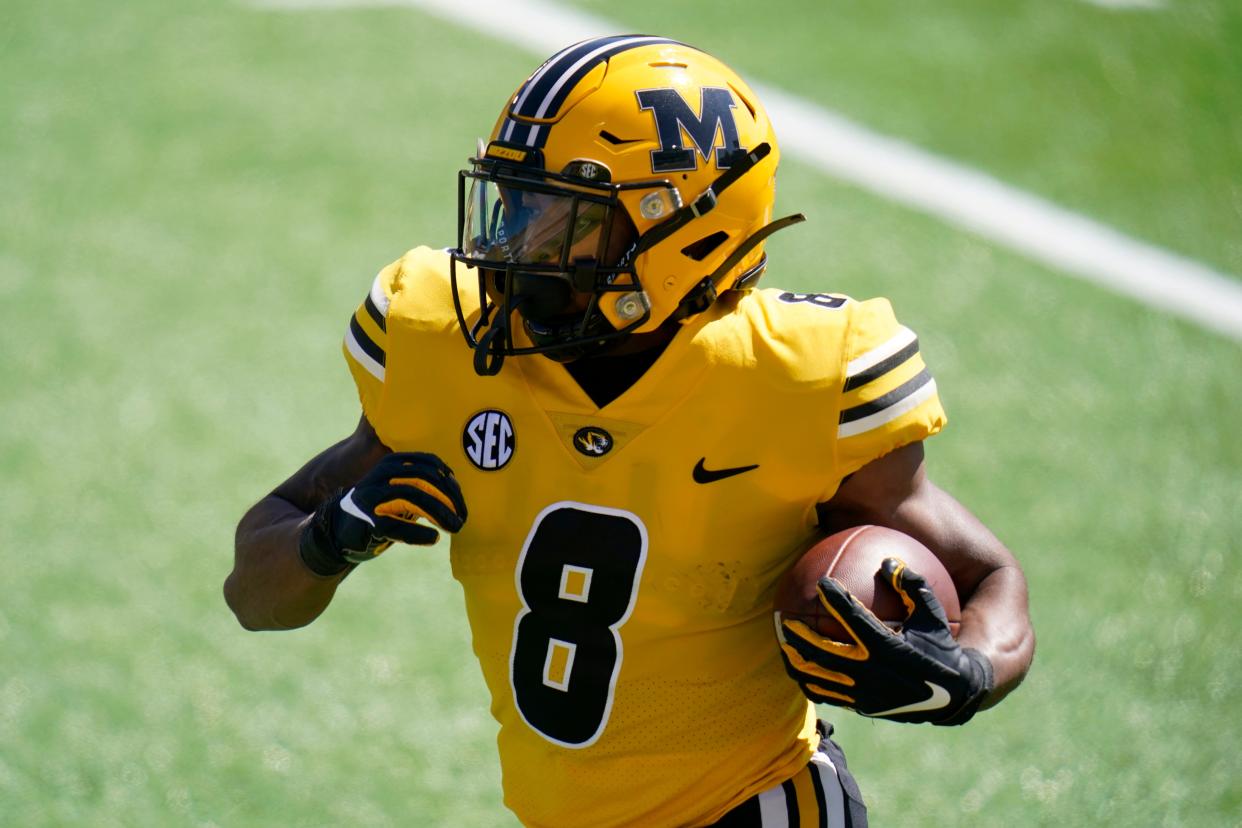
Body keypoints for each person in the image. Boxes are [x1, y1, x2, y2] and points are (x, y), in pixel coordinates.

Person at [224, 35, 1035, 828]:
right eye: (512, 206)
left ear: (684, 232)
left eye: (559, 220)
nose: (510, 249)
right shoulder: (443, 339)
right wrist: (328, 539)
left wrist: (965, 672)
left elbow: (987, 575)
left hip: (757, 804)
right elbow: (252, 596)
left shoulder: (802, 376)